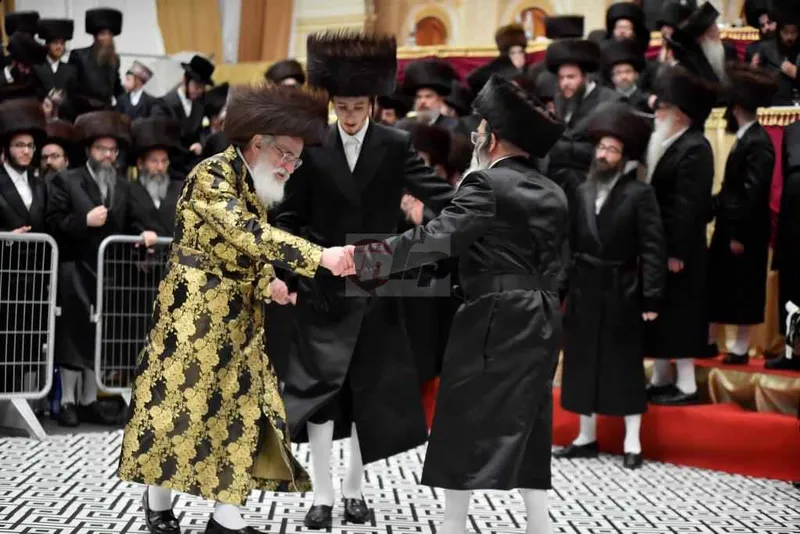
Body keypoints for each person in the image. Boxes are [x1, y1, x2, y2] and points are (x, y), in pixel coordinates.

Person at [117, 83, 353, 534]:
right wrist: (320, 257)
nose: (290, 167)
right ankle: (158, 500)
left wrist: (270, 283)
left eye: (296, 159)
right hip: (192, 316)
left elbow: (243, 252)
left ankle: (225, 517)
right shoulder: (212, 176)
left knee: (239, 412)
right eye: (286, 155)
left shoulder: (252, 182)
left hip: (241, 319)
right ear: (258, 143)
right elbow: (247, 234)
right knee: (176, 411)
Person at [350, 74, 569, 534]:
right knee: (531, 419)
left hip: (494, 314)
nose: (475, 138)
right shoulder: (554, 191)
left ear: (492, 137)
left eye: (479, 130)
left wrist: (364, 260)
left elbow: (437, 238)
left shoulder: (485, 184)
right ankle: (539, 527)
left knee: (458, 420)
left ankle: (452, 526)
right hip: (543, 315)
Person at [272, 30, 454, 529]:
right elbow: (287, 216)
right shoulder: (313, 146)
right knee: (319, 395)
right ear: (332, 104)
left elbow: (438, 193)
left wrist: (483, 200)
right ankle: (322, 495)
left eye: (357, 106)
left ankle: (353, 491)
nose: (349, 115)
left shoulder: (396, 144)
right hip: (323, 284)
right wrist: (292, 271)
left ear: (373, 103)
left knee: (368, 394)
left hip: (376, 281)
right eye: (342, 107)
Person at [557, 102, 665, 469]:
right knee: (582, 362)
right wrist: (559, 290)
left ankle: (633, 442)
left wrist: (651, 297)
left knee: (624, 366)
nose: (603, 155)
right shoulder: (582, 191)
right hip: (584, 289)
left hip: (623, 289)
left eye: (612, 150)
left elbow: (652, 249)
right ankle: (585, 437)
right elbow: (568, 245)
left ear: (624, 157)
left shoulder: (640, 194)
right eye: (601, 148)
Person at [46, 110, 156, 427]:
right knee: (72, 336)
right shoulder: (66, 180)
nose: (107, 155)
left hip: (108, 273)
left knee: (99, 336)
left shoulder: (123, 186)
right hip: (74, 270)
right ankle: (67, 401)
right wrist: (84, 220)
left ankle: (89, 400)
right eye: (101, 149)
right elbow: (53, 222)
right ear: (89, 150)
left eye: (112, 150)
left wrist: (143, 234)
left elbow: (134, 220)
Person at [643, 65, 718, 405]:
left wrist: (676, 251)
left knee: (681, 316)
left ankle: (686, 386)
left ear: (680, 114)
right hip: (663, 247)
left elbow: (689, 207)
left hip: (681, 251)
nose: (657, 114)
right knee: (663, 315)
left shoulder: (695, 148)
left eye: (664, 109)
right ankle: (661, 378)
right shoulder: (671, 144)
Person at [707, 64, 778, 364]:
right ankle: (712, 342)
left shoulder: (757, 142)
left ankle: (740, 349)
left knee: (743, 289)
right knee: (722, 285)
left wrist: (738, 234)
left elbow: (752, 194)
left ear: (736, 109)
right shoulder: (749, 139)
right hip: (732, 225)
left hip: (743, 231)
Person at [0, 99, 50, 394]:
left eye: (30, 146)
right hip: (5, 274)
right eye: (19, 145)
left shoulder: (40, 183)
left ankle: (21, 398)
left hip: (34, 276)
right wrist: (6, 236)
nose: (26, 151)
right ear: (7, 148)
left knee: (28, 341)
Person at [152, 55, 216, 174]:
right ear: (185, 80)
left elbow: (206, 130)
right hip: (170, 166)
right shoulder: (164, 104)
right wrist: (186, 151)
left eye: (202, 87)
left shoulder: (200, 105)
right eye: (197, 86)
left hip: (195, 165)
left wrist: (201, 144)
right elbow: (163, 136)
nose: (200, 91)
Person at [128, 117, 185, 237]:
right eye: (154, 161)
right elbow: (127, 224)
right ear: (140, 164)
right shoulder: (129, 190)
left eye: (164, 161)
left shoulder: (180, 189)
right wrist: (141, 233)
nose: (160, 167)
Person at [67, 8, 124, 114]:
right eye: (103, 34)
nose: (107, 38)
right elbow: (71, 90)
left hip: (107, 113)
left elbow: (117, 89)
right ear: (95, 37)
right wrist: (91, 103)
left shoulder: (115, 60)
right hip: (84, 113)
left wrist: (131, 99)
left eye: (110, 34)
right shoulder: (78, 55)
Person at [33, 18, 77, 120]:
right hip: (41, 119)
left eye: (62, 43)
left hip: (65, 120)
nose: (59, 47)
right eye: (55, 43)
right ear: (47, 45)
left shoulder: (71, 70)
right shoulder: (36, 68)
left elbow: (74, 98)